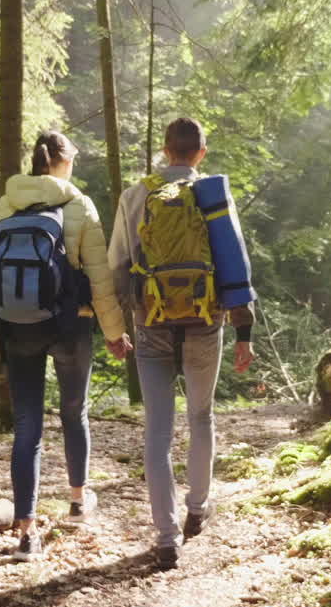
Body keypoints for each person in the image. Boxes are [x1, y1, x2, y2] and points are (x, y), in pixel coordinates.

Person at [108, 117, 255, 570]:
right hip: (204, 321)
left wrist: (116, 328)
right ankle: (197, 508)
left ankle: (167, 536)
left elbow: (117, 264)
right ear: (201, 153)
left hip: (150, 322)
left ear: (165, 150)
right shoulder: (212, 194)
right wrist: (244, 333)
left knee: (157, 428)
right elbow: (236, 264)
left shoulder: (136, 195)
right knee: (201, 414)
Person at [0, 131, 133, 561]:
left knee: (27, 425)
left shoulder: (7, 201)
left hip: (17, 326)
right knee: (74, 412)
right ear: (64, 161)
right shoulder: (79, 205)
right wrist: (114, 331)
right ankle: (77, 500)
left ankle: (26, 532)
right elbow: (100, 278)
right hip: (71, 325)